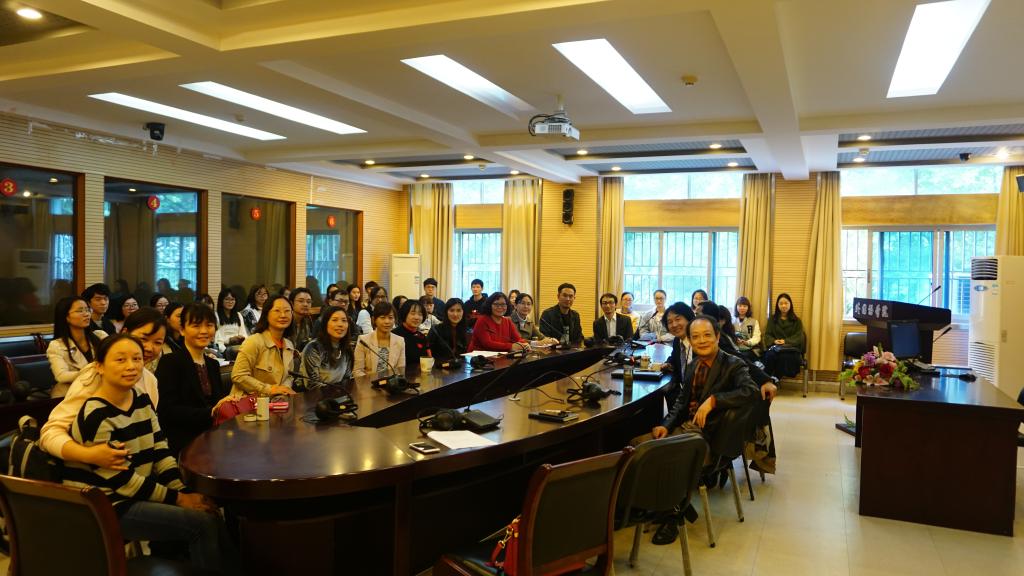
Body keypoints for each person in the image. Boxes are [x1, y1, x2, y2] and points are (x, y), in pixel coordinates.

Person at [61, 334, 236, 574]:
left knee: (209, 509)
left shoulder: (141, 399)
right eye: (120, 360)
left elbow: (160, 451)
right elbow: (122, 481)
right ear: (99, 366)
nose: (131, 366)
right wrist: (179, 499)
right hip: (107, 505)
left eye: (136, 359)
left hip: (135, 493)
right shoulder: (96, 414)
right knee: (202, 524)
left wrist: (185, 491)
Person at [640, 315, 758, 545]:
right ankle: (659, 505)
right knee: (638, 446)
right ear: (690, 341)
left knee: (667, 457)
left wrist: (714, 400)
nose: (702, 341)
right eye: (696, 337)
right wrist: (665, 425)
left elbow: (751, 391)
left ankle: (673, 515)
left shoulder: (733, 364)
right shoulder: (694, 364)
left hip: (711, 437)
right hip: (688, 428)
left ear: (717, 336)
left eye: (707, 335)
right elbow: (681, 403)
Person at [41, 308, 167, 463]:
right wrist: (87, 454)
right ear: (125, 333)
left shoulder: (150, 380)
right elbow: (51, 432)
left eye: (158, 342)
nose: (149, 348)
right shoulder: (97, 374)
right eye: (143, 339)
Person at [155, 304, 231, 456]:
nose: (203, 331)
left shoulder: (213, 364)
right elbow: (167, 411)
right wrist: (210, 412)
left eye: (209, 325)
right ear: (182, 330)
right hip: (184, 442)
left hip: (214, 438)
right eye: (196, 326)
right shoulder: (170, 362)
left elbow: (218, 402)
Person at [231, 295, 297, 398]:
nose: (283, 315)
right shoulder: (254, 342)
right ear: (266, 314)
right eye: (277, 311)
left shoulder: (289, 345)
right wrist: (270, 389)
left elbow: (289, 376)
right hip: (249, 402)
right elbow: (238, 376)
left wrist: (284, 389)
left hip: (277, 402)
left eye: (287, 311)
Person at [47, 296, 107, 397]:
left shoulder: (101, 336)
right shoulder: (57, 345)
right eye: (80, 311)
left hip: (102, 390)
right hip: (72, 394)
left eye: (87, 310)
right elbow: (61, 376)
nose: (86, 314)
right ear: (66, 317)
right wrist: (94, 371)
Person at [301, 306, 354, 388]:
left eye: (344, 320)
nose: (340, 324)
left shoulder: (346, 349)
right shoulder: (314, 348)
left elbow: (347, 380)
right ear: (325, 324)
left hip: (340, 394)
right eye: (335, 320)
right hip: (317, 395)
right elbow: (312, 384)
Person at [353, 302, 405, 378]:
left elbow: (400, 370)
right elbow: (357, 371)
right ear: (374, 320)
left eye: (390, 318)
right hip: (369, 383)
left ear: (395, 320)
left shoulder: (400, 341)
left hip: (392, 383)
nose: (387, 321)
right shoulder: (363, 340)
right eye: (382, 317)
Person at [762, 293, 806, 378]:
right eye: (781, 303)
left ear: (790, 304)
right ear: (777, 305)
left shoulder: (797, 321)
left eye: (786, 303)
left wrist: (785, 341)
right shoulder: (772, 319)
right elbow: (767, 335)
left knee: (784, 357)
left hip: (791, 349)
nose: (783, 306)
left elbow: (799, 337)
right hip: (775, 348)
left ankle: (775, 379)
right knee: (770, 356)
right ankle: (768, 379)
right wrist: (774, 341)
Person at [392, 299, 432, 369]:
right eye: (413, 313)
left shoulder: (422, 337)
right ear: (404, 314)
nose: (416, 317)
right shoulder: (394, 335)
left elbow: (429, 360)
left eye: (420, 314)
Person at [428, 297, 469, 362]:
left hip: (458, 366)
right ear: (446, 312)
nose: (455, 314)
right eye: (452, 310)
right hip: (438, 366)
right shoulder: (436, 330)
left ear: (463, 312)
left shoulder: (465, 331)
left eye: (459, 310)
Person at [214, 288, 248, 354]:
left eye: (232, 299)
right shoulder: (216, 316)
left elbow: (244, 334)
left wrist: (241, 338)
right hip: (223, 348)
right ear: (221, 301)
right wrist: (230, 340)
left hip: (238, 347)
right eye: (227, 299)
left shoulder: (238, 315)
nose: (230, 302)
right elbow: (217, 339)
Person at [733, 296, 761, 360]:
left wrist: (747, 342)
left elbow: (757, 337)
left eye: (745, 306)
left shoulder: (754, 321)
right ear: (736, 307)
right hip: (734, 348)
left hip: (748, 349)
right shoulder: (731, 320)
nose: (742, 308)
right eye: (740, 306)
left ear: (748, 308)